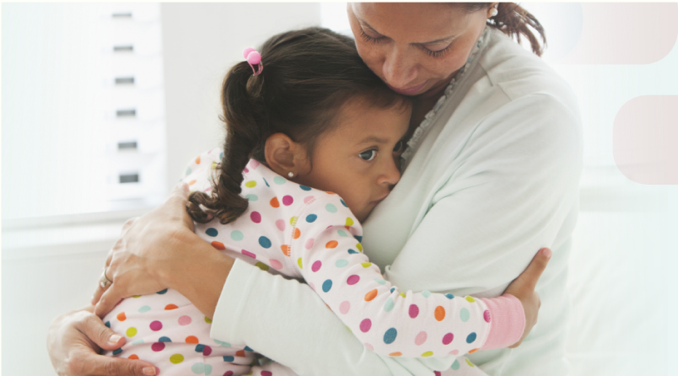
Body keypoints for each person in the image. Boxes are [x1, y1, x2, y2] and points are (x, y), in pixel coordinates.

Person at [48, 3, 580, 376]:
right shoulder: (310, 194)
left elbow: (397, 360)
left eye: (435, 45)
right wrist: (81, 329)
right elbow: (387, 321)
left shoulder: (523, 118)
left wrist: (184, 265)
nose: (395, 71)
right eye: (370, 32)